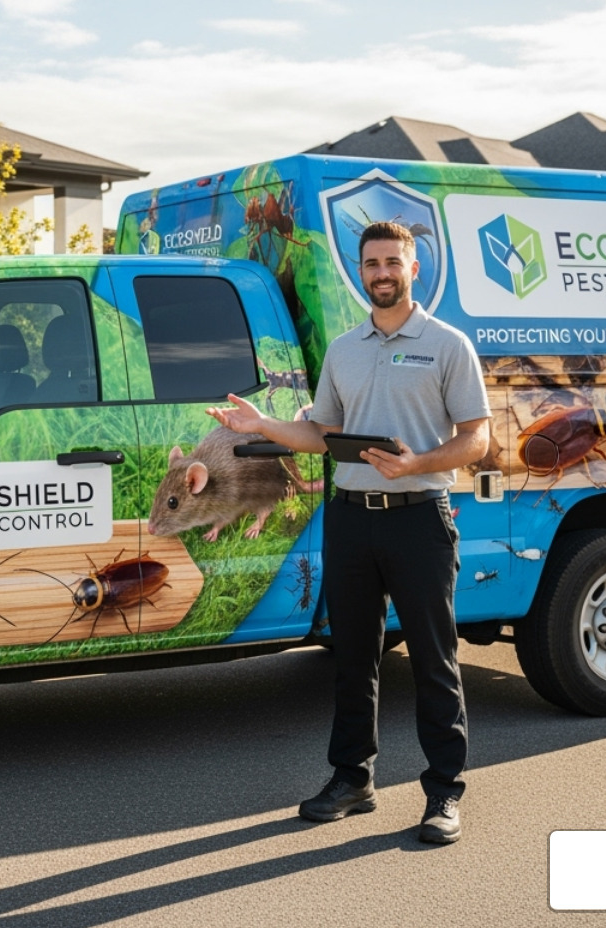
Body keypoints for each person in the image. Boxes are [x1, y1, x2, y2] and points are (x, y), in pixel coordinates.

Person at [208, 221, 490, 845]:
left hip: (419, 517)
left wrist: (417, 463)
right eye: (371, 263)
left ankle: (444, 793)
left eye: (393, 261)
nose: (382, 272)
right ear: (359, 272)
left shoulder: (447, 345)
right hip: (352, 516)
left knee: (433, 659)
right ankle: (352, 779)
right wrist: (267, 425)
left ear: (414, 269)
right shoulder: (343, 349)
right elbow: (324, 436)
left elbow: (478, 436)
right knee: (353, 657)